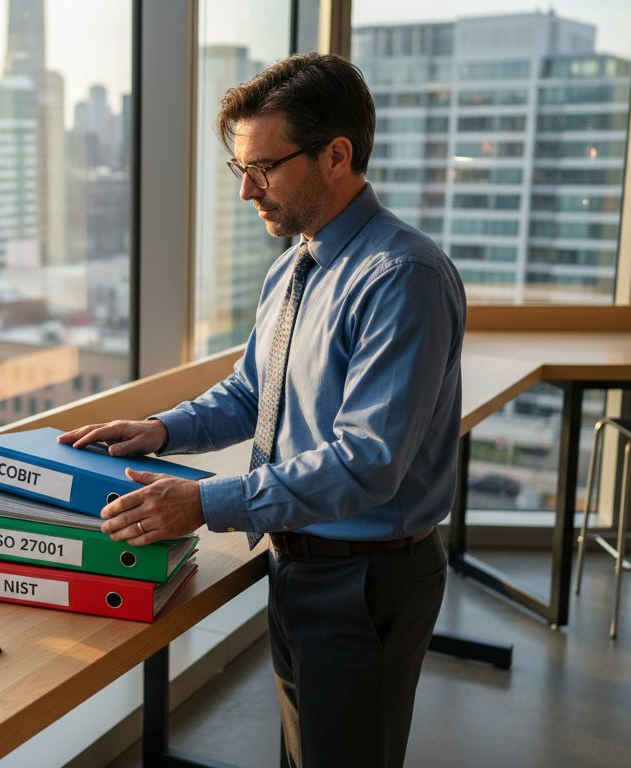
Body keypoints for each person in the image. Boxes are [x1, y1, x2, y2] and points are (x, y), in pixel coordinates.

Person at [59, 52, 465, 768]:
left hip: (365, 580)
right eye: (238, 168)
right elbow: (255, 393)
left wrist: (205, 503)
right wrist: (162, 428)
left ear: (336, 155)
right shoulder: (295, 266)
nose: (248, 189)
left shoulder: (402, 277)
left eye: (265, 167)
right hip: (299, 562)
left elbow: (365, 464)